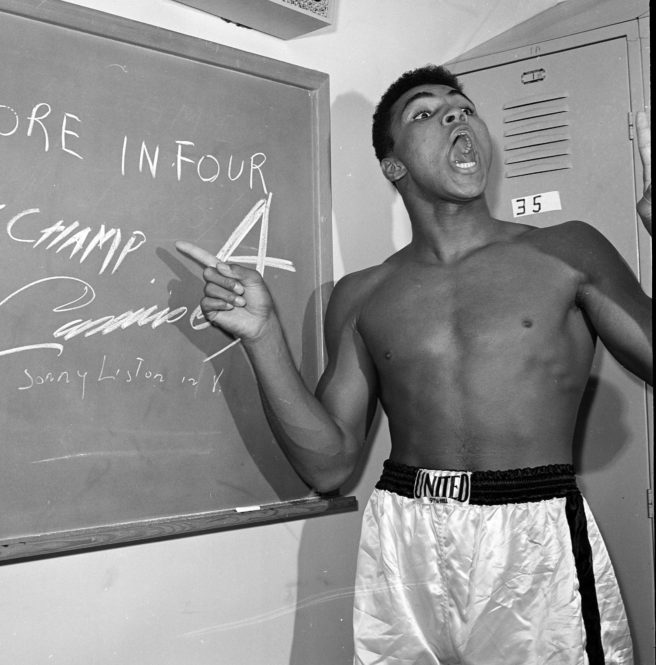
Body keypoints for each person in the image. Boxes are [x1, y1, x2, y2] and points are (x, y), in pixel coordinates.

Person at [176, 65, 652, 664]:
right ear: (393, 165)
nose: (456, 114)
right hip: (403, 536)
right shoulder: (360, 295)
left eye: (464, 107)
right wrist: (264, 337)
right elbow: (328, 466)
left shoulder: (566, 250)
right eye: (425, 113)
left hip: (531, 540)